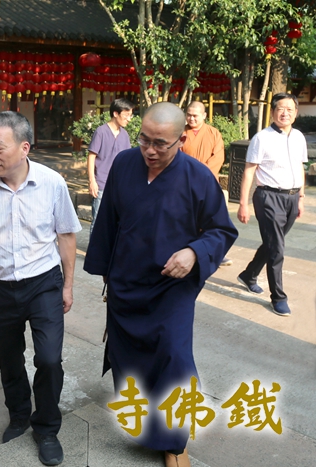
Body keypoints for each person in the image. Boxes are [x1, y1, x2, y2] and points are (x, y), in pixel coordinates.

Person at [83, 102, 237, 467]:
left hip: (172, 288)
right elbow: (108, 222)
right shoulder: (124, 164)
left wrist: (195, 253)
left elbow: (221, 230)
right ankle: (147, 429)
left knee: (174, 360)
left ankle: (173, 443)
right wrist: (107, 274)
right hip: (127, 282)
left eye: (160, 144)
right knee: (130, 363)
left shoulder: (198, 177)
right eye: (144, 140)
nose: (150, 151)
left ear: (181, 140)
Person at [0, 111, 81, 466]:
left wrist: (68, 286)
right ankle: (19, 414)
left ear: (24, 148)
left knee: (49, 359)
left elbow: (66, 236)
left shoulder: (52, 183)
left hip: (44, 284)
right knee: (9, 358)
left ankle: (47, 428)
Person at [236, 93, 307, 317]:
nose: (285, 113)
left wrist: (301, 197)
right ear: (273, 112)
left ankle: (249, 275)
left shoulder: (298, 137)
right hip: (268, 197)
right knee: (277, 249)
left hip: (292, 197)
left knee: (272, 243)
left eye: (289, 109)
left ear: (296, 113)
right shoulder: (262, 138)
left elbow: (299, 167)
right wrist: (243, 204)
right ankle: (278, 297)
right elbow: (249, 171)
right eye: (280, 109)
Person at [183, 101, 232, 267]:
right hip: (185, 183)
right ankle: (190, 251)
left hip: (208, 183)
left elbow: (218, 158)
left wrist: (202, 174)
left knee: (210, 219)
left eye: (195, 115)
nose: (191, 118)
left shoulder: (213, 133)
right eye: (188, 115)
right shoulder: (180, 133)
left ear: (204, 115)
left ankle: (214, 252)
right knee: (188, 220)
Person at [87, 98, 134, 233]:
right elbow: (91, 156)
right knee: (98, 222)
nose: (129, 119)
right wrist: (92, 181)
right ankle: (94, 247)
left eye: (130, 115)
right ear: (115, 113)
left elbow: (127, 161)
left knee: (116, 222)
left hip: (119, 186)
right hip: (101, 184)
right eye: (126, 115)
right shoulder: (101, 132)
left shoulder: (124, 135)